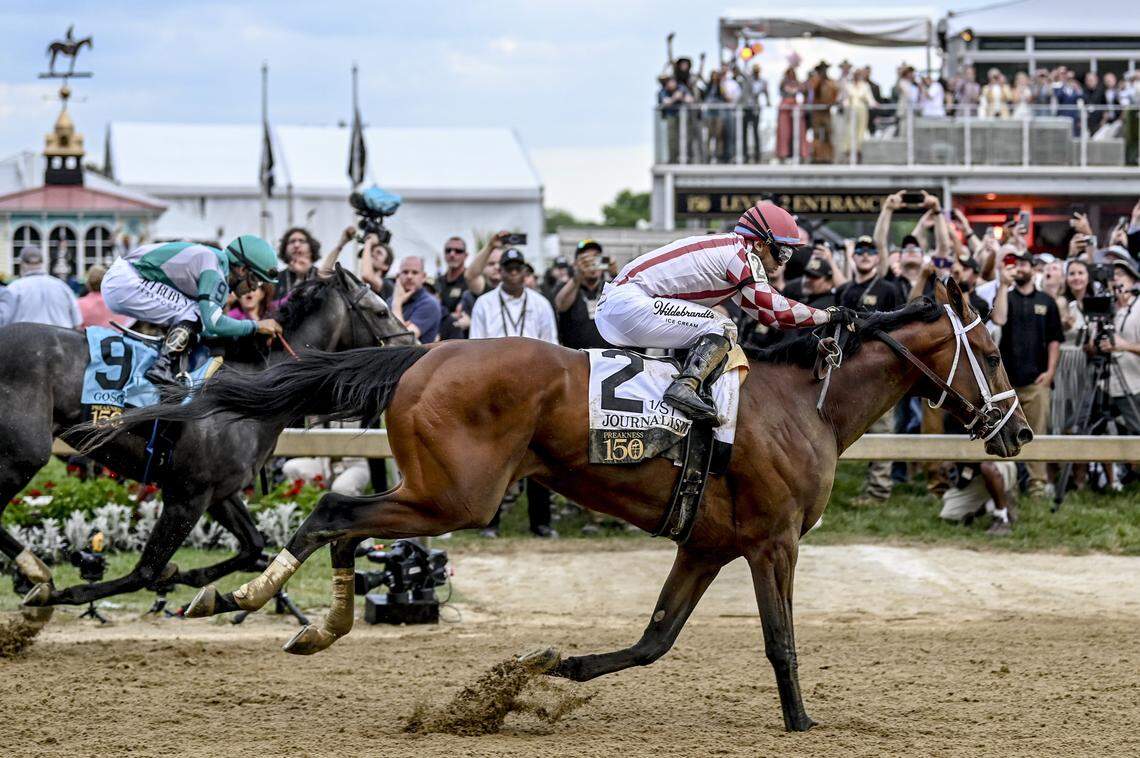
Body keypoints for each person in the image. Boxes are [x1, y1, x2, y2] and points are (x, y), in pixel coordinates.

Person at [595, 201, 854, 421]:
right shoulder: (741, 255)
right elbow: (777, 312)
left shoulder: (732, 254)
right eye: (782, 251)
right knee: (722, 326)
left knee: (711, 327)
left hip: (622, 304)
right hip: (627, 303)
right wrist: (829, 314)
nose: (782, 262)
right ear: (761, 244)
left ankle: (682, 386)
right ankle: (685, 387)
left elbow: (766, 317)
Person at [101, 235, 283, 387]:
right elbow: (214, 324)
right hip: (125, 281)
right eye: (255, 280)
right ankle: (161, 366)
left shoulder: (216, 263)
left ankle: (169, 363)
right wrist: (256, 326)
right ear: (242, 269)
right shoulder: (214, 268)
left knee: (197, 316)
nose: (254, 288)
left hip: (125, 279)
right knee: (195, 313)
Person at [468, 247, 559, 538]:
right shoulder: (484, 303)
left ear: (526, 271)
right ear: (501, 271)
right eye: (508, 267)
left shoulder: (541, 304)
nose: (513, 272)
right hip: (496, 386)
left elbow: (552, 347)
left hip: (534, 388)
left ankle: (541, 522)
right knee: (493, 457)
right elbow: (475, 347)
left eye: (519, 267)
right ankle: (490, 522)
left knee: (540, 454)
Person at [998, 250, 1063, 498]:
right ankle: (1009, 485)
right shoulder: (1006, 297)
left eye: (1024, 263)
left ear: (1033, 268)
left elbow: (1055, 340)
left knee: (1038, 434)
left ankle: (1036, 485)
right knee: (1007, 435)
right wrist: (1003, 285)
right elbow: (999, 319)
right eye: (1015, 264)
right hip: (1007, 385)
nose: (1020, 268)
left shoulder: (1047, 301)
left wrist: (1050, 372)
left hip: (1037, 382)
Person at [554, 239, 613, 350]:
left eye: (596, 258)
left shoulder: (609, 287)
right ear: (576, 263)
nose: (592, 263)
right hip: (575, 359)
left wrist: (615, 275)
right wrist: (578, 276)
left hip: (607, 359)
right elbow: (560, 305)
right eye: (586, 259)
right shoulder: (567, 286)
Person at [5, 246, 82, 330]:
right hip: (61, 340)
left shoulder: (14, 288)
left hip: (26, 340)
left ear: (22, 263)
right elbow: (77, 323)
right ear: (42, 263)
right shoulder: (62, 286)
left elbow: (3, 320)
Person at [391, 256, 441, 343]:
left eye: (414, 272)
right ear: (398, 276)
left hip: (419, 356)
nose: (409, 276)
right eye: (405, 272)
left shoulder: (429, 304)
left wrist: (396, 305)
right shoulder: (390, 300)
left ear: (424, 277)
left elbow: (402, 340)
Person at [434, 236, 472, 340]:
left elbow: (461, 315)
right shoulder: (438, 281)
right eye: (448, 250)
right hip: (440, 338)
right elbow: (434, 310)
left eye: (458, 251)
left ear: (466, 255)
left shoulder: (470, 281)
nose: (452, 254)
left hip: (463, 340)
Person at [77, 264, 132, 329]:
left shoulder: (79, 304)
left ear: (88, 283)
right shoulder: (119, 303)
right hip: (117, 338)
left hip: (89, 338)